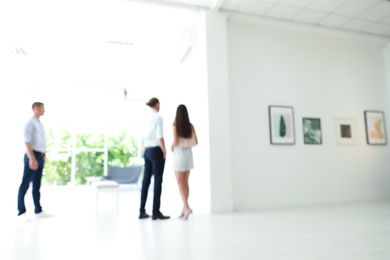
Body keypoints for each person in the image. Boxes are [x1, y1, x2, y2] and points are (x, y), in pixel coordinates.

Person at [17, 102, 51, 222]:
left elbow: (40, 141)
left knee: (37, 185)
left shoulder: (40, 124)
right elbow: (27, 142)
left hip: (40, 156)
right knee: (25, 184)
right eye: (43, 108)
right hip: (32, 156)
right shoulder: (30, 123)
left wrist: (43, 155)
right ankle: (21, 212)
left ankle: (38, 209)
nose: (44, 110)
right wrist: (32, 158)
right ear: (36, 108)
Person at [139, 98, 170, 220]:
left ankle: (142, 211)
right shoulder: (158, 117)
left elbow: (141, 136)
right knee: (158, 181)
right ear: (157, 104)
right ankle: (155, 212)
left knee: (145, 181)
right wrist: (164, 151)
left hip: (146, 150)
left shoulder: (145, 117)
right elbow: (159, 136)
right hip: (156, 150)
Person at [171, 104, 198, 220]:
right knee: (185, 182)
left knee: (180, 182)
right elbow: (196, 141)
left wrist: (172, 147)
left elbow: (175, 141)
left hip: (179, 154)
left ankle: (186, 207)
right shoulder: (190, 126)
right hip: (189, 154)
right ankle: (185, 207)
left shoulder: (175, 125)